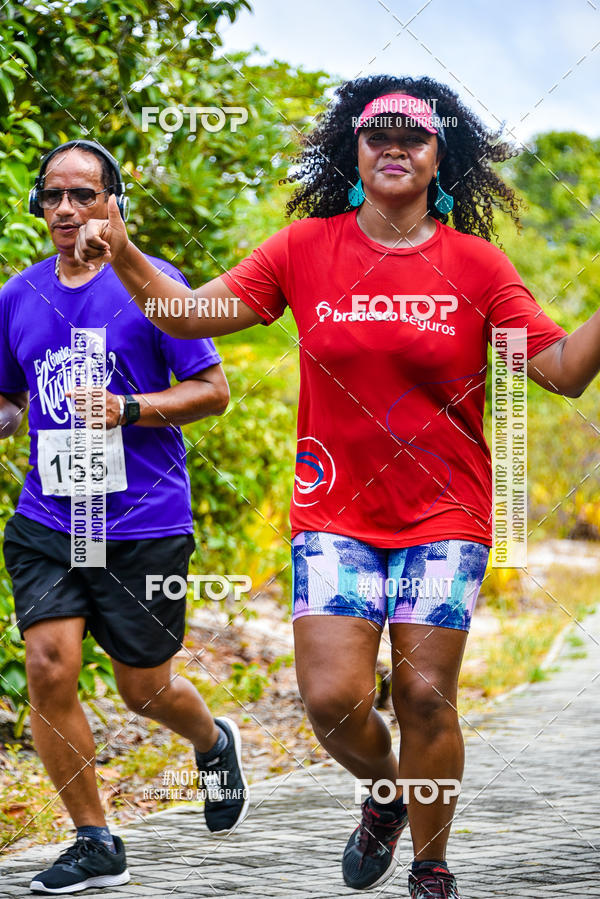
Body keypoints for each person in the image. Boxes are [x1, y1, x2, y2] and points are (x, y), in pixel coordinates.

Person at [73, 75, 600, 899]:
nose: (394, 144)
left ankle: (431, 866)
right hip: (335, 511)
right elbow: (186, 315)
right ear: (353, 149)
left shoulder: (477, 266)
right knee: (331, 700)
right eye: (376, 132)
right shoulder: (304, 249)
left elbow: (564, 371)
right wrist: (126, 250)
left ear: (439, 156)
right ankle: (385, 792)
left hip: (445, 514)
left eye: (413, 135)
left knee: (426, 694)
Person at [0, 140, 250, 896]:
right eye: (53, 196)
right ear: (40, 207)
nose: (67, 209)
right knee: (49, 665)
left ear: (113, 203)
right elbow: (11, 398)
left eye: (84, 194)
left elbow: (213, 390)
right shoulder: (16, 295)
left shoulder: (152, 288)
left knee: (144, 687)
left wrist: (129, 408)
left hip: (143, 521)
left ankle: (210, 741)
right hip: (50, 516)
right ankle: (95, 838)